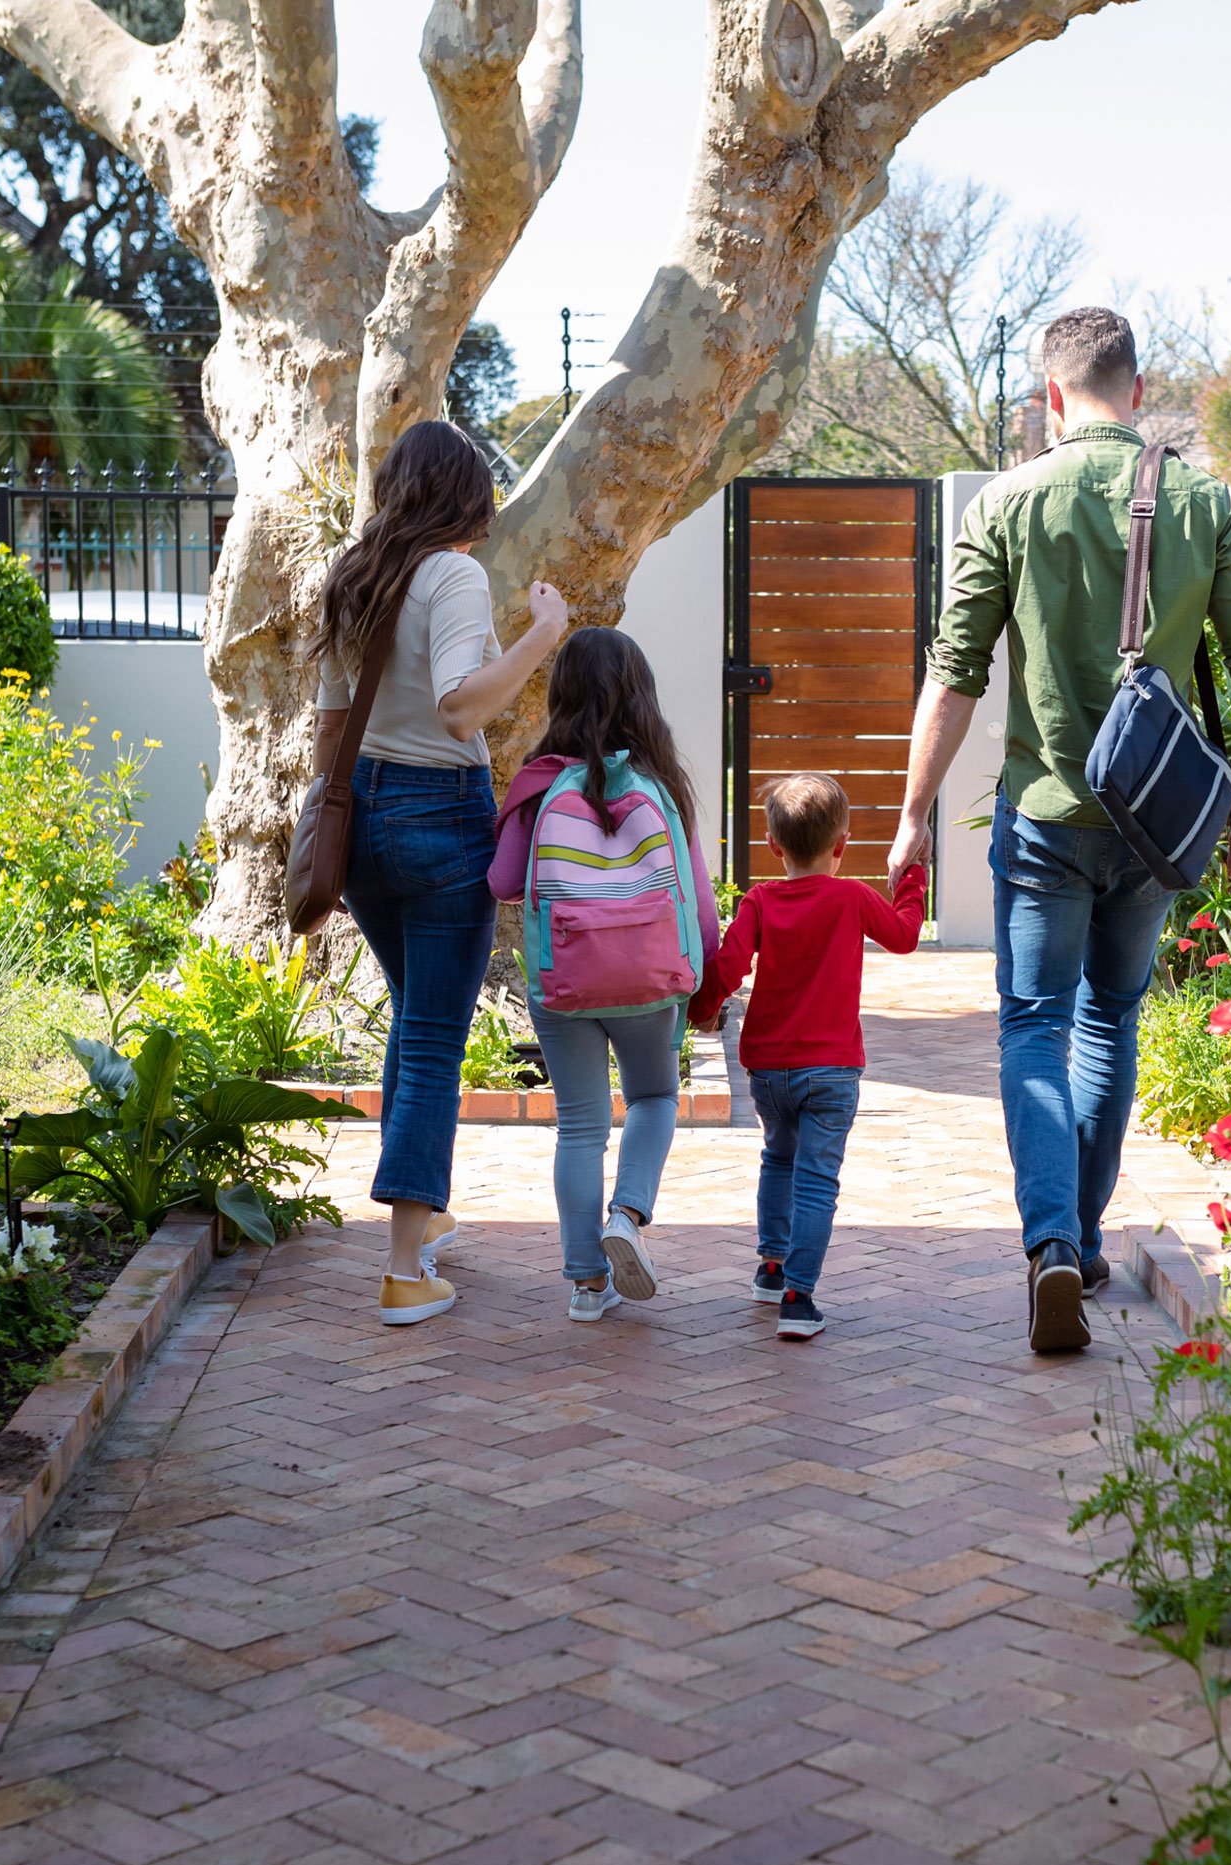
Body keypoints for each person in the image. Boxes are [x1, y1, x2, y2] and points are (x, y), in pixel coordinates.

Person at [886, 306, 1231, 1353]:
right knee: (1108, 1017)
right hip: (1154, 821)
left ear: (1049, 396)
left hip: (1042, 816)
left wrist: (910, 811)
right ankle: (1083, 1236)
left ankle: (1050, 1242)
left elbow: (952, 675)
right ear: (1136, 387)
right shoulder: (1202, 500)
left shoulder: (1008, 502)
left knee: (1031, 1023)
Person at [313, 419, 569, 1327]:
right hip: (436, 816)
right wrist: (543, 633)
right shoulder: (453, 574)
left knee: (414, 1022)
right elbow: (463, 708)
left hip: (362, 823)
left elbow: (328, 723)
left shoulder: (353, 576)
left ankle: (429, 1209)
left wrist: (328, 820)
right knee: (431, 1043)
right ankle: (402, 1266)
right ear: (465, 494)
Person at [489, 629, 718, 1322]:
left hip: (564, 982)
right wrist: (705, 983)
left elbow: (501, 881)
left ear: (559, 696)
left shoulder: (538, 785)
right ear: (642, 698)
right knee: (653, 1097)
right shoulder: (663, 784)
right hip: (650, 979)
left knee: (580, 1127)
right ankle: (626, 1215)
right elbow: (699, 901)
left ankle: (588, 1284)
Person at [693, 776, 926, 1337]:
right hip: (833, 1069)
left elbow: (728, 965)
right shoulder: (852, 897)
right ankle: (799, 1298)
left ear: (774, 845)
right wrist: (913, 878)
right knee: (817, 1180)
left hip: (768, 1069)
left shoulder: (760, 900)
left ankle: (771, 1267)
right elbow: (903, 935)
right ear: (841, 844)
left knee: (778, 1157)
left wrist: (700, 1008)